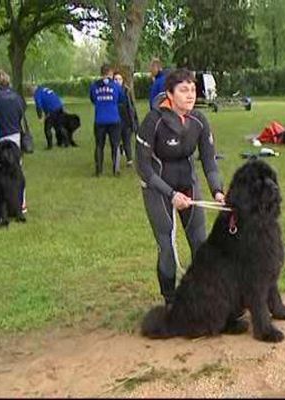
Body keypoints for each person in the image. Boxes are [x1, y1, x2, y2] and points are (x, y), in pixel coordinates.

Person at [136, 68, 225, 308]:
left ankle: (203, 294)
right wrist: (170, 194)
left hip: (188, 184)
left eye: (193, 90)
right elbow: (143, 167)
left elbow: (209, 160)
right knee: (166, 246)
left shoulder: (199, 121)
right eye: (183, 90)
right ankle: (170, 301)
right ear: (169, 94)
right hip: (157, 188)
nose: (190, 95)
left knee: (200, 242)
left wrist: (217, 190)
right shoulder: (152, 121)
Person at [0, 70, 27, 212]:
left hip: (0, 136)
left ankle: (2, 204)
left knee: (0, 173)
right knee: (17, 171)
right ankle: (21, 202)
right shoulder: (16, 97)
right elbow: (21, 113)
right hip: (15, 135)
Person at [89, 64, 125, 176]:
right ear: (110, 73)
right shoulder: (115, 86)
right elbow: (121, 98)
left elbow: (93, 99)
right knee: (115, 145)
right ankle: (116, 169)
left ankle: (99, 170)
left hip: (100, 119)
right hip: (114, 119)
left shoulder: (94, 86)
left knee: (99, 145)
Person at [114, 72, 139, 167]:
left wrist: (134, 120)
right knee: (116, 140)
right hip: (116, 120)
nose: (117, 81)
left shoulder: (127, 91)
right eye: (115, 79)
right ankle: (116, 161)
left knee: (127, 140)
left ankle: (129, 160)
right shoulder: (113, 92)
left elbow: (131, 107)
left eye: (119, 79)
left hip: (126, 120)